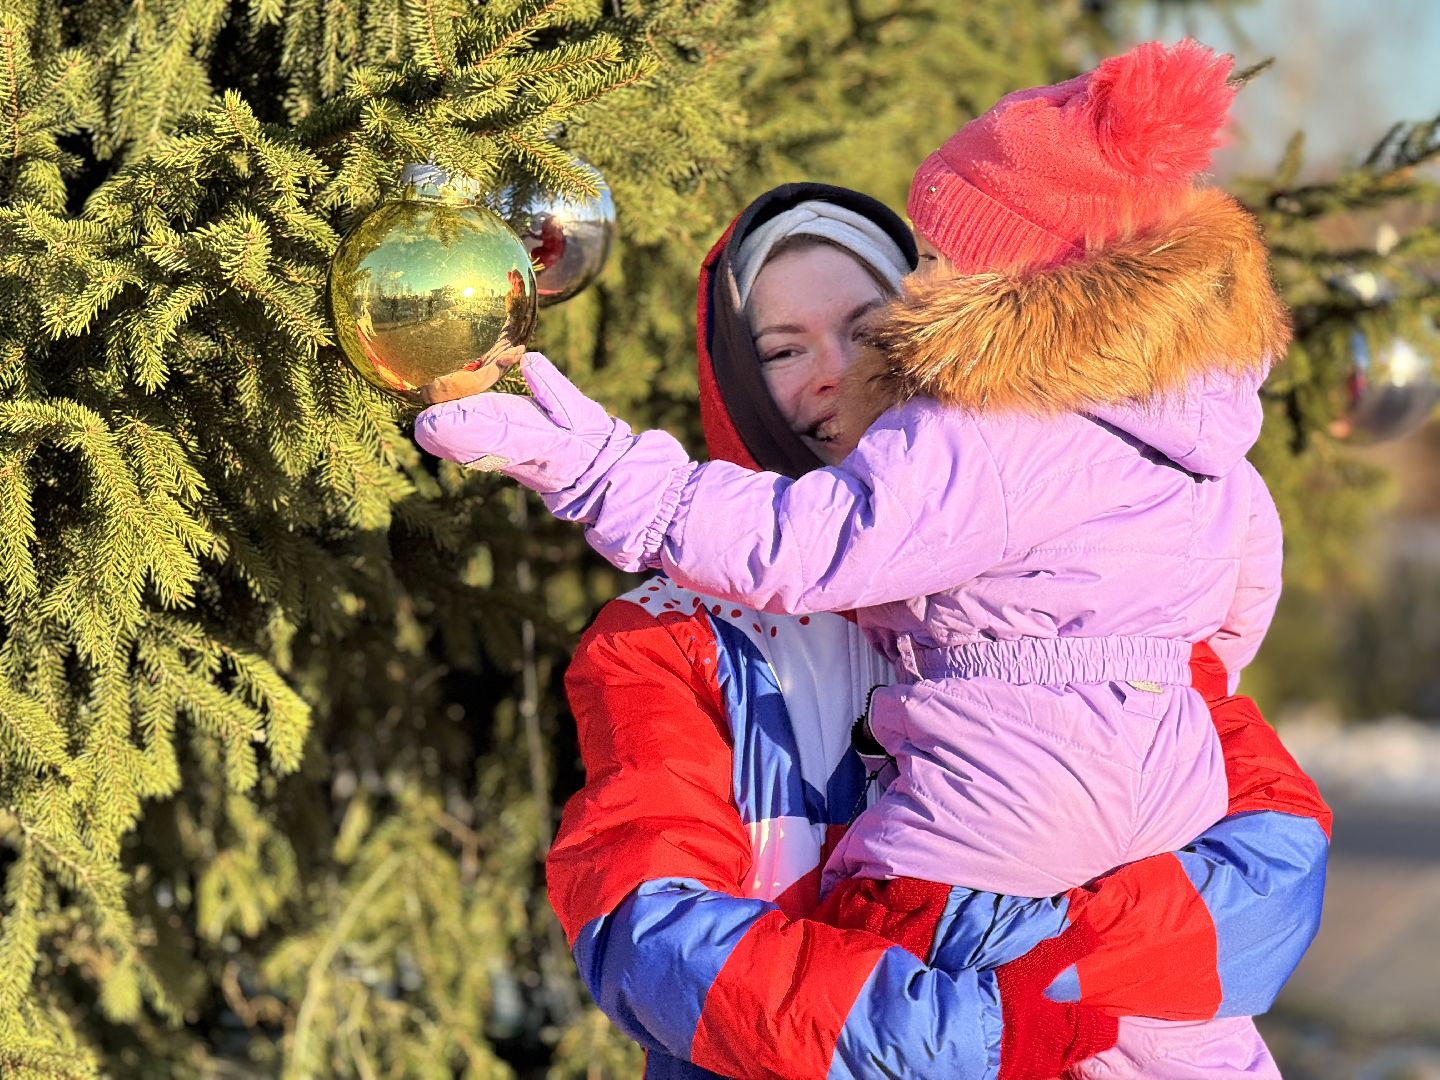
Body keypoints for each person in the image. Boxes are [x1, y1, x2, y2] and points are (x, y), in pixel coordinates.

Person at [424, 178, 1330, 1077]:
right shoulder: (669, 637)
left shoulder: (1082, 605)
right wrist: (957, 1032)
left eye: (866, 331)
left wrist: (1063, 966)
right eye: (782, 350)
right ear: (736, 382)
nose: (835, 371)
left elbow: (1273, 872)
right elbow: (643, 925)